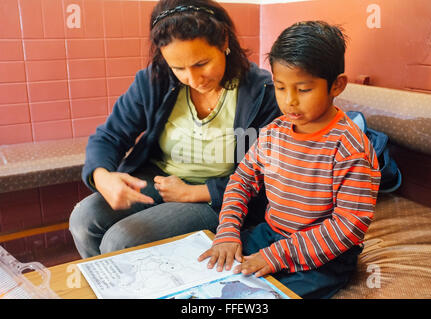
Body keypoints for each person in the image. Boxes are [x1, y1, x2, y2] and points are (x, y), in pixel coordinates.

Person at [69, 0, 280, 259]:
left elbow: (268, 174)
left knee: (123, 239)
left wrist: (194, 192)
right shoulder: (154, 80)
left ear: (224, 41)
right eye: (178, 68)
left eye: (201, 63)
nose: (192, 79)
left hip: (216, 195)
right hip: (159, 180)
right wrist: (103, 177)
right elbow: (110, 136)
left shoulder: (263, 92)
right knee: (84, 219)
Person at [199, 21, 381, 299]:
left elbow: (348, 225)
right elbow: (241, 181)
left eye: (304, 89)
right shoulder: (274, 133)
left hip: (326, 255)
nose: (290, 101)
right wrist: (227, 232)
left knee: (262, 297)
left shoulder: (349, 147)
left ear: (337, 85)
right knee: (210, 274)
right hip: (271, 233)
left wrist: (277, 257)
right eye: (280, 87)